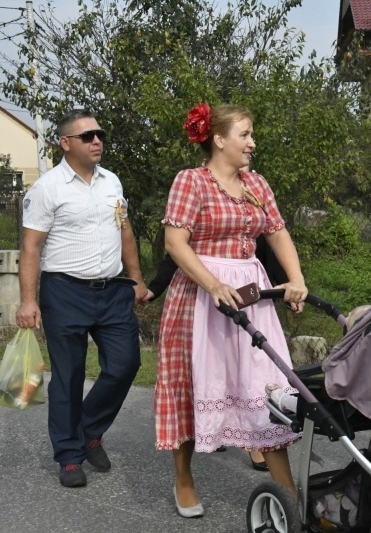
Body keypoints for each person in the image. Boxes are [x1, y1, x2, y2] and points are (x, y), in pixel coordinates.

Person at [155, 102, 306, 519]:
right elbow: (175, 243)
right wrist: (213, 283)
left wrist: (296, 280)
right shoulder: (191, 182)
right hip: (200, 297)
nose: (252, 142)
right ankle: (184, 478)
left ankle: (286, 493)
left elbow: (277, 233)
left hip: (251, 297)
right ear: (219, 140)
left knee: (266, 387)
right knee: (192, 386)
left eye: (251, 134)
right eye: (245, 134)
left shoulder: (257, 184)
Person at [15, 109, 148, 489]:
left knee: (125, 364)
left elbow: (124, 230)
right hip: (64, 292)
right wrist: (28, 300)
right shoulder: (48, 188)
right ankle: (70, 455)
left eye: (99, 134)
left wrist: (135, 278)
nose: (96, 141)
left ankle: (89, 427)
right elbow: (31, 247)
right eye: (87, 135)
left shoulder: (111, 182)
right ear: (65, 143)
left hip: (112, 291)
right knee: (68, 377)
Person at [144, 232, 287, 471]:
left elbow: (272, 245)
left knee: (254, 374)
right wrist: (154, 288)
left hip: (249, 293)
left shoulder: (253, 200)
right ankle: (190, 467)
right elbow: (178, 249)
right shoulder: (197, 197)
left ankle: (256, 443)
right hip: (206, 295)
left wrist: (288, 284)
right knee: (209, 373)